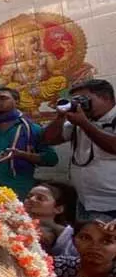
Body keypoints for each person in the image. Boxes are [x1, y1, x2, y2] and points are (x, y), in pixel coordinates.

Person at [42, 79, 116, 223]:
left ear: (106, 98)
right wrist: (60, 116)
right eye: (75, 100)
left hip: (112, 204)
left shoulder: (87, 121)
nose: (80, 104)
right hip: (85, 201)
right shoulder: (80, 121)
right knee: (86, 244)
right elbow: (49, 139)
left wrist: (84, 123)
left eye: (84, 99)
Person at [52, 216, 116, 277]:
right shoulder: (55, 267)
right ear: (73, 240)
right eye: (85, 238)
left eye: (106, 241)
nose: (94, 247)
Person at [24, 182, 75, 255]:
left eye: (40, 198)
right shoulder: (15, 218)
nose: (31, 199)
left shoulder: (70, 238)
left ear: (58, 209)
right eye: (28, 196)